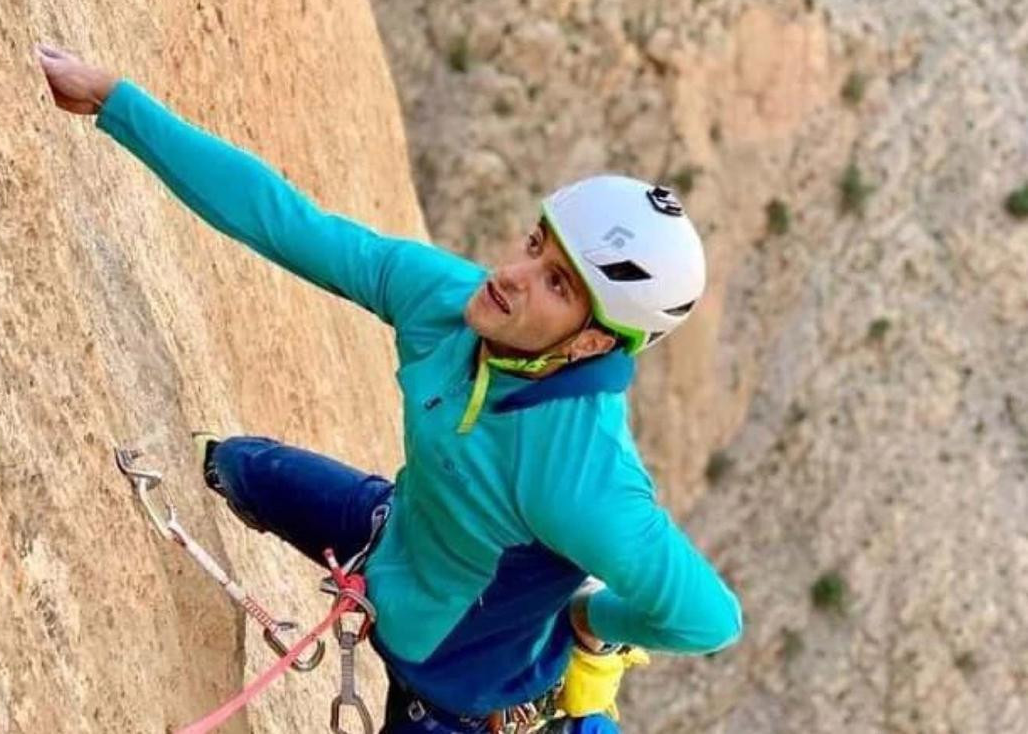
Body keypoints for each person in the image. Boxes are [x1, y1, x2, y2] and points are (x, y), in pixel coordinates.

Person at [37, 43, 742, 733]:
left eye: (557, 284)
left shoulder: (582, 479)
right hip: (391, 538)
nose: (512, 276)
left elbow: (711, 619)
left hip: (457, 697)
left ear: (593, 342)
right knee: (235, 465)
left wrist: (589, 618)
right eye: (535, 245)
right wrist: (113, 101)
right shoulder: (449, 303)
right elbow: (289, 223)